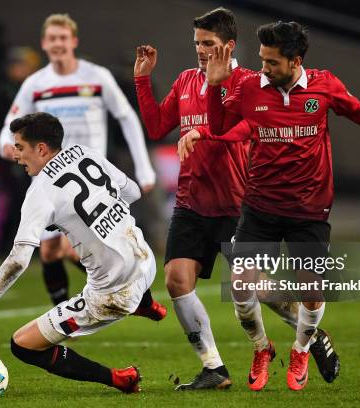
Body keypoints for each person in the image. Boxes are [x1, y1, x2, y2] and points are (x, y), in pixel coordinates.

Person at [197, 20, 360, 391]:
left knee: (312, 293)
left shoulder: (325, 85)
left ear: (296, 61)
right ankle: (262, 348)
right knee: (241, 288)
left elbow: (359, 112)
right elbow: (218, 127)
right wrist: (214, 88)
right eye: (262, 59)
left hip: (309, 211)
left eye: (272, 62)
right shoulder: (248, 87)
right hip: (260, 206)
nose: (264, 67)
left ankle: (301, 349)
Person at [135, 8, 338, 391]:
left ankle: (311, 335)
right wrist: (143, 80)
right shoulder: (184, 82)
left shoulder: (252, 84)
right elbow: (158, 126)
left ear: (229, 46)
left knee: (256, 288)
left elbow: (248, 129)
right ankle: (214, 367)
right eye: (197, 43)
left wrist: (206, 133)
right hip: (191, 202)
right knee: (177, 280)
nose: (201, 50)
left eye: (209, 44)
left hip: (237, 203)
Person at [0, 112, 159, 393]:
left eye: (19, 147)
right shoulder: (83, 152)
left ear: (41, 148)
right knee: (120, 251)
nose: (16, 155)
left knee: (22, 345)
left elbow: (18, 260)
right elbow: (134, 192)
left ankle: (119, 378)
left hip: (112, 294)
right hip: (147, 263)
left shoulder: (40, 192)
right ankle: (147, 304)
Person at [0, 14, 161, 317]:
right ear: (45, 43)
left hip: (89, 184)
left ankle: (134, 296)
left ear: (73, 41)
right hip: (50, 181)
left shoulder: (96, 76)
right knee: (50, 250)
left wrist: (144, 168)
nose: (58, 43)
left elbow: (126, 116)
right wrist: (5, 145)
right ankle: (74, 312)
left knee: (78, 248)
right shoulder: (36, 83)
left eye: (63, 38)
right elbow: (11, 120)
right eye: (52, 38)